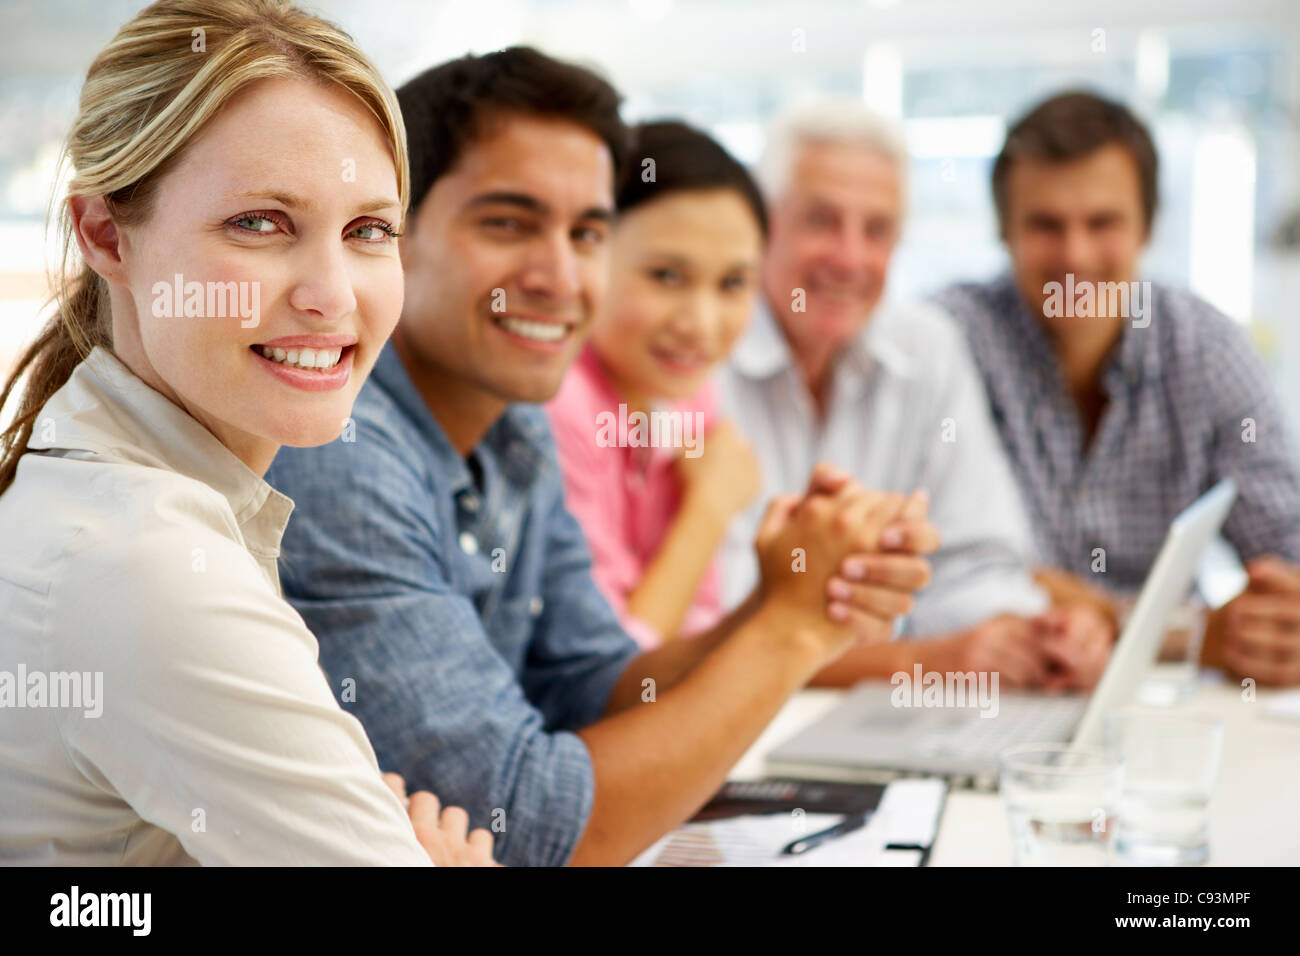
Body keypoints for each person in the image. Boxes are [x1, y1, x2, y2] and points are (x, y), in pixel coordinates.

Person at [265, 48, 940, 867]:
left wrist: (786, 599)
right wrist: (792, 634)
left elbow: (601, 685)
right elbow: (529, 825)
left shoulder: (517, 422)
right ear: (389, 232)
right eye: (508, 223)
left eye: (587, 233)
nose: (560, 275)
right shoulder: (341, 451)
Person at [0, 0, 492, 866]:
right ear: (106, 234)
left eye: (368, 230)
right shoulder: (141, 563)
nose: (333, 295)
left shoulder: (117, 502)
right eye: (259, 223)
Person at [719, 101, 1115, 690]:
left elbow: (974, 565)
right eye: (821, 220)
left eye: (876, 230)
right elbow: (716, 630)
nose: (850, 258)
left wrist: (1034, 637)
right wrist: (932, 663)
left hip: (876, 718)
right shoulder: (700, 356)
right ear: (761, 227)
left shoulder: (927, 348)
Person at [934, 91, 1300, 687]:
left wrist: (1277, 629)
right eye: (1046, 225)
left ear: (1148, 226)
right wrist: (1190, 634)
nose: (1075, 256)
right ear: (1003, 230)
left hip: (1162, 705)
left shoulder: (1206, 350)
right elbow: (942, 576)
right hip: (990, 695)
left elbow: (1287, 557)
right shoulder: (946, 344)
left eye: (1103, 223)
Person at [545, 120, 775, 649]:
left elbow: (695, 623)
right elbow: (614, 661)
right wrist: (710, 509)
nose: (701, 323)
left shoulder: (688, 394)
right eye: (667, 277)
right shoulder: (559, 405)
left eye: (733, 284)